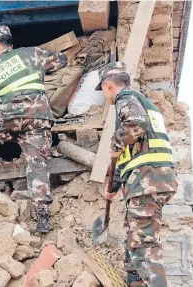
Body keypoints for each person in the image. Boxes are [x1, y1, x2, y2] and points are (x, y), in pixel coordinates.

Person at [0, 25, 67, 233]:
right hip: (38, 118)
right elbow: (61, 60)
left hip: (10, 118)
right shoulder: (32, 53)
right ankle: (42, 217)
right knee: (37, 163)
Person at [96, 62, 176, 287]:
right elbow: (128, 158)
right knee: (133, 247)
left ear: (108, 85)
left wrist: (116, 141)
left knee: (143, 247)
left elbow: (136, 123)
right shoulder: (144, 104)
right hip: (151, 179)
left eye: (102, 90)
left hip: (147, 180)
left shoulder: (126, 99)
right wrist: (112, 188)